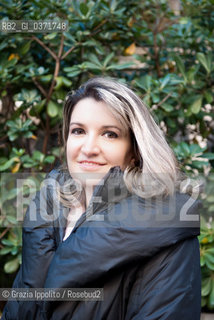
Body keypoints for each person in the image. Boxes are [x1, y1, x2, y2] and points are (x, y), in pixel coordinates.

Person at [2, 77, 201, 320]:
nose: (89, 147)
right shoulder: (50, 211)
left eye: (109, 134)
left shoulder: (165, 230)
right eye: (78, 131)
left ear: (134, 152)